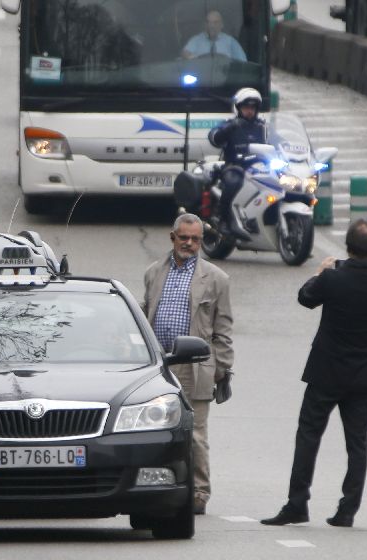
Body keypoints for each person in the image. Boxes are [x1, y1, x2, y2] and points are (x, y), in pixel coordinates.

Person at [261, 219, 367, 528]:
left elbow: (305, 297)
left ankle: (297, 504)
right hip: (365, 376)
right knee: (357, 444)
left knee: (308, 436)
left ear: (348, 247)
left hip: (326, 372)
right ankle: (347, 510)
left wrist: (321, 271)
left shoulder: (331, 279)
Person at [142, 213, 234, 516]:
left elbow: (223, 331)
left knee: (195, 434)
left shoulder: (217, 279)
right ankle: (153, 483)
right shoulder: (154, 272)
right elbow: (145, 315)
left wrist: (222, 370)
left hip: (195, 366)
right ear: (173, 238)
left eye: (195, 239)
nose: (190, 244)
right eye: (184, 238)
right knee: (152, 429)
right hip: (160, 367)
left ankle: (199, 493)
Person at [208, 87, 268, 241]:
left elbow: (278, 142)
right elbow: (214, 137)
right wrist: (227, 130)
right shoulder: (231, 124)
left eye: (252, 108)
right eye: (246, 107)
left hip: (259, 168)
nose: (249, 111)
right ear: (238, 108)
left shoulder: (263, 127)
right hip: (235, 166)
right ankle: (224, 220)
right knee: (233, 182)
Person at [182, 11, 246, 62]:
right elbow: (185, 53)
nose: (211, 26)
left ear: (222, 25)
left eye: (215, 22)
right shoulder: (196, 40)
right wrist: (190, 57)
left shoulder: (231, 42)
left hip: (224, 76)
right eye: (208, 22)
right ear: (205, 25)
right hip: (202, 76)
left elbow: (243, 62)